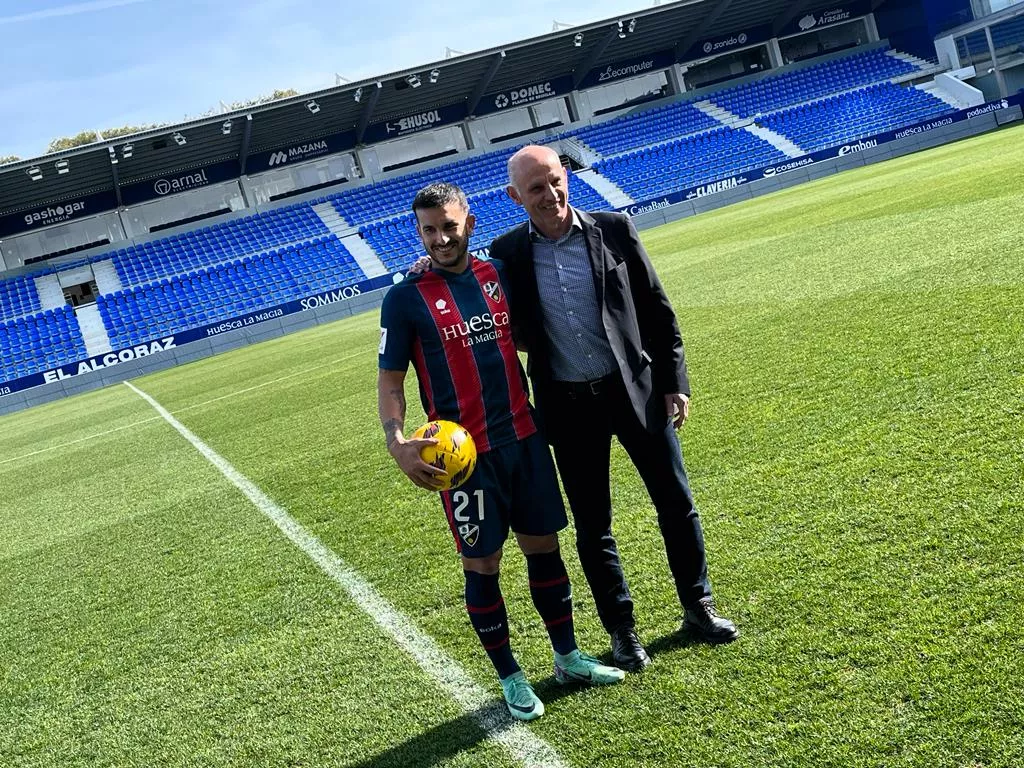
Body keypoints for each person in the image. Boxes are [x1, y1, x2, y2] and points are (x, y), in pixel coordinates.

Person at [377, 182, 624, 722]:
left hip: (525, 437)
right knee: (483, 564)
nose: (441, 239)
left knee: (545, 549)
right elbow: (391, 381)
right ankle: (511, 677)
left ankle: (568, 658)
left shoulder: (500, 275)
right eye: (429, 230)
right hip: (463, 460)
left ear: (468, 222)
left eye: (449, 226)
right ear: (418, 234)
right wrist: (397, 442)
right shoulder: (404, 298)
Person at [489, 145, 739, 672]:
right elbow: (468, 283)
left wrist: (674, 383)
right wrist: (426, 265)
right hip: (568, 406)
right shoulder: (506, 253)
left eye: (555, 180)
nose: (550, 194)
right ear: (515, 197)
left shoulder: (614, 229)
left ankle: (699, 606)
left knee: (676, 503)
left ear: (566, 176)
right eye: (535, 188)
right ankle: (622, 631)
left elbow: (658, 309)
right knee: (593, 526)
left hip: (636, 391)